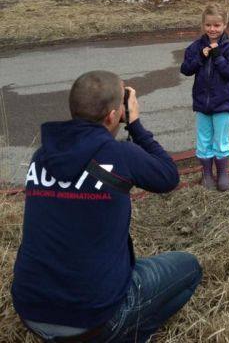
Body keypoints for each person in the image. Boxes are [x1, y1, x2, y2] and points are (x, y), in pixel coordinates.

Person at [11, 70, 202, 343]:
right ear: (114, 116)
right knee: (190, 268)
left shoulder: (42, 157)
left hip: (31, 311)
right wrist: (135, 124)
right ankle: (132, 335)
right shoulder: (120, 155)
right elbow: (168, 177)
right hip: (96, 320)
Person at [180, 3, 229, 191]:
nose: (212, 29)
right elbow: (185, 69)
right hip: (202, 104)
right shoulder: (196, 47)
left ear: (224, 26)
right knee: (203, 139)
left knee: (221, 140)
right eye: (208, 25)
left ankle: (222, 173)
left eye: (216, 25)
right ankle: (207, 174)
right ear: (202, 25)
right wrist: (200, 57)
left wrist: (218, 57)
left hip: (222, 103)